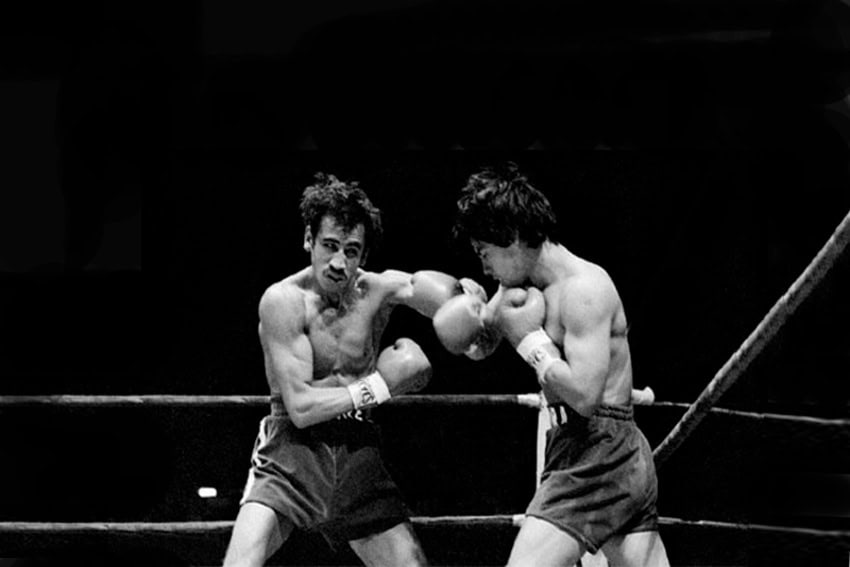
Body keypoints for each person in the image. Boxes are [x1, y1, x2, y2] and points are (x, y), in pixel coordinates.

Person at [223, 172, 481, 567]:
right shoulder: (283, 301)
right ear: (309, 240)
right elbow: (302, 408)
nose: (340, 262)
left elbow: (444, 303)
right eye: (329, 246)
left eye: (352, 250)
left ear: (364, 255)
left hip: (358, 451)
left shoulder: (378, 290)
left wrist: (475, 312)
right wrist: (381, 386)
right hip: (292, 454)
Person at [432, 163, 670, 566]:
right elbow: (482, 342)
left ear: (512, 238)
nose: (485, 266)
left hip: (599, 450)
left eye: (484, 253)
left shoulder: (584, 290)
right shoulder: (516, 283)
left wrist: (532, 342)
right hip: (593, 452)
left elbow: (585, 396)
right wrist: (468, 308)